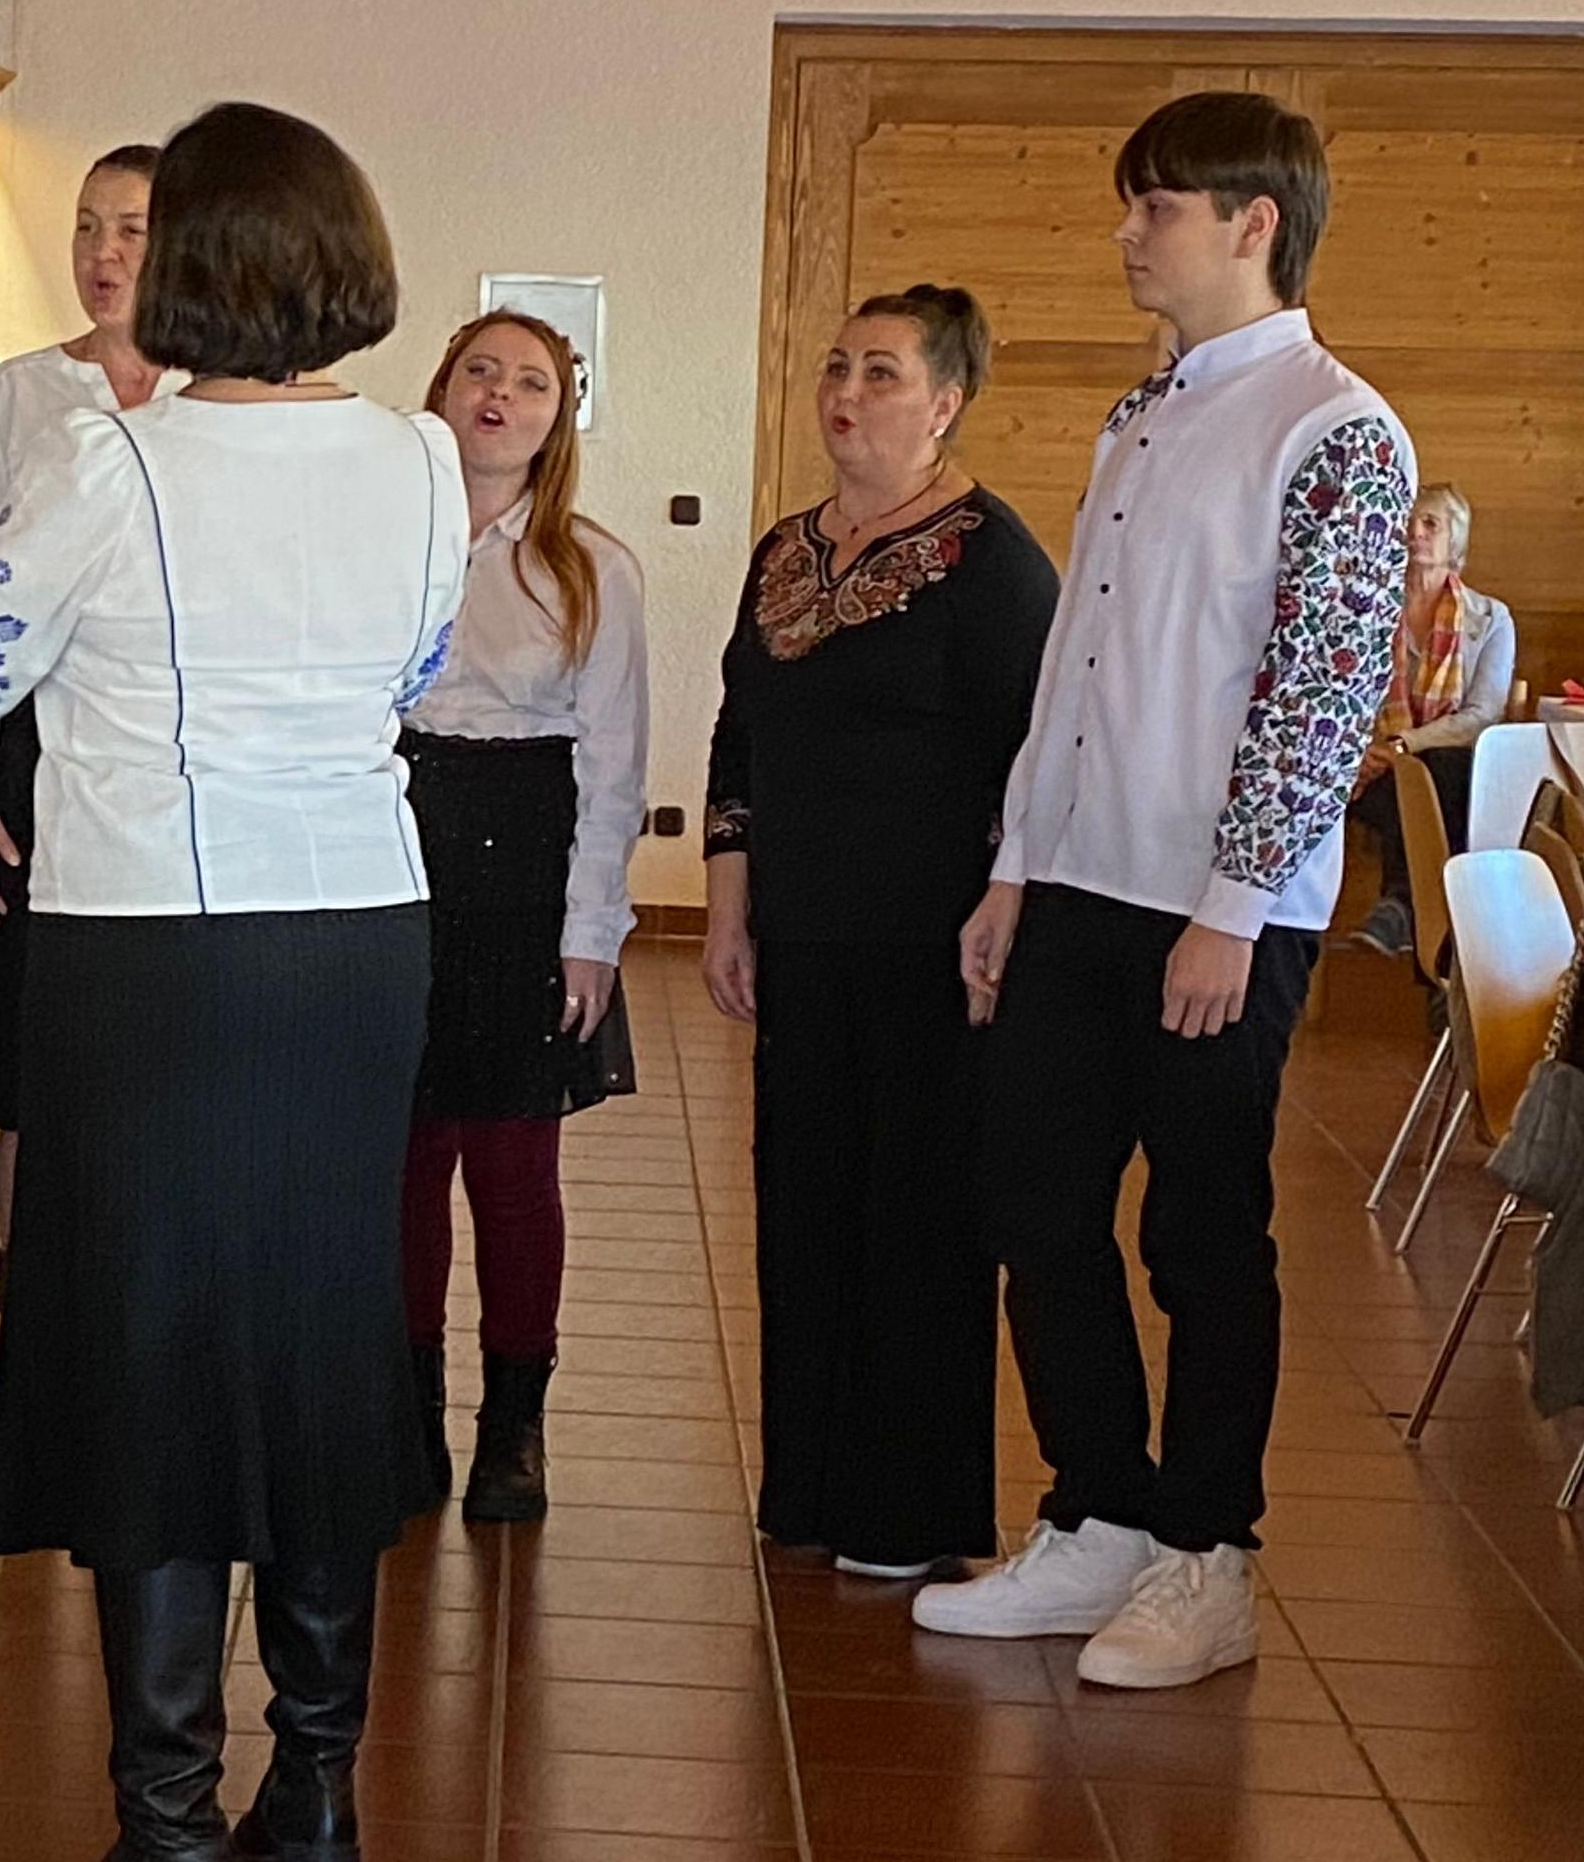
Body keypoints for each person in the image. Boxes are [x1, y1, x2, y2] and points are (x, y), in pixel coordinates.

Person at [0, 100, 465, 1862]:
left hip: (159, 952)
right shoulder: (424, 456)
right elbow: (414, 672)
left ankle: (175, 1846)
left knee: (152, 1356)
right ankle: (321, 1799)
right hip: (359, 934)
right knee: (325, 1326)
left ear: (192, 262)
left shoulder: (114, 461)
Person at [924, 91, 1411, 1690]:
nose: (1130, 233)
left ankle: (1208, 1556)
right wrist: (1014, 866)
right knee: (1035, 1203)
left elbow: (1322, 694)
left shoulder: (1337, 428)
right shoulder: (1142, 412)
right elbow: (1080, 666)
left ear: (1254, 222)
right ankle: (1101, 1516)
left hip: (1217, 909)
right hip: (1076, 877)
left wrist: (1234, 902)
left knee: (1201, 1232)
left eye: (1158, 207)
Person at [705, 287, 1056, 1578]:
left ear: (947, 403)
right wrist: (729, 900)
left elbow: (1038, 758)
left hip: (934, 949)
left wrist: (1005, 903)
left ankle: (907, 1510)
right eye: (837, 367)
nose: (847, 394)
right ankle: (809, 1486)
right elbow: (741, 731)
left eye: (883, 374)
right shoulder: (784, 552)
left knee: (919, 1216)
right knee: (803, 1205)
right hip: (802, 937)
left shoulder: (993, 562)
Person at [398, 308, 646, 1524]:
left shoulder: (593, 568)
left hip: (523, 872)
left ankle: (514, 1426)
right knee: (400, 1161)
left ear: (560, 416)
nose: (500, 396)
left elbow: (616, 767)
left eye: (532, 382)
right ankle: (404, 1416)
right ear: (442, 388)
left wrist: (591, 933)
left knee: (510, 1164)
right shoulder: (379, 538)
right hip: (390, 855)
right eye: (480, 372)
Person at [0, 145, 175, 1192]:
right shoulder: (19, 394)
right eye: (86, 226)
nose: (101, 253)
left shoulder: (220, 396)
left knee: (160, 1057)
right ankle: (22, 1266)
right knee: (34, 1055)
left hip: (172, 751)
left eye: (131, 230)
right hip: (37, 742)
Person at [1345, 481, 1515, 956]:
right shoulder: (1366, 611)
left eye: (1429, 524)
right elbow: (1341, 699)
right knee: (1418, 783)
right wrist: (1368, 752)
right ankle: (1444, 938)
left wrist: (1403, 746)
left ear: (1454, 541)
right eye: (1407, 522)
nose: (1413, 532)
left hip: (1443, 766)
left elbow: (1483, 716)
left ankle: (1400, 907)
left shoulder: (1491, 618)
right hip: (1367, 767)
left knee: (1439, 769)